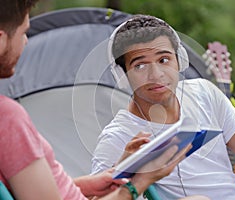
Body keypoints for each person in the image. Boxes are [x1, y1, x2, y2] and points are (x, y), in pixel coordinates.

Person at [0, 1, 199, 200]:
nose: (26, 41)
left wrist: (93, 183)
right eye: (23, 32)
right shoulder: (7, 117)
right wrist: (139, 182)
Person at [91, 14, 235, 200]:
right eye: (140, 65)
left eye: (164, 60)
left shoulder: (204, 93)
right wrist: (124, 169)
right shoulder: (117, 136)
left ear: (179, 61)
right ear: (122, 75)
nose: (156, 75)